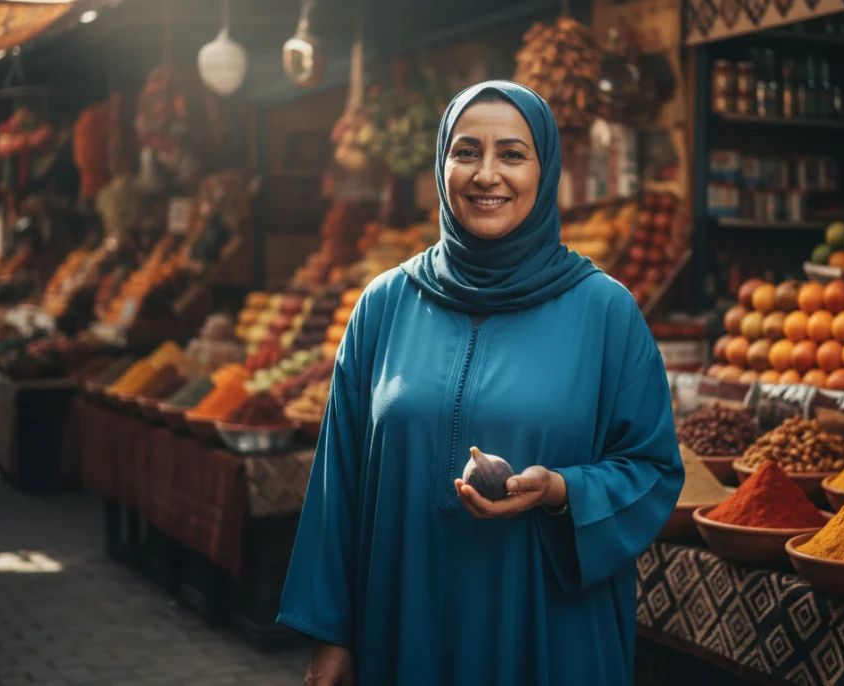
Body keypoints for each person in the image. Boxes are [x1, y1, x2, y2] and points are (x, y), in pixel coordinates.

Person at [277, 81, 683, 685]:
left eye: (513, 155)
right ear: (441, 165)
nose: (486, 174)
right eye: (466, 152)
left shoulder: (604, 312)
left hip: (543, 630)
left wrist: (560, 489)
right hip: (401, 625)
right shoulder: (385, 305)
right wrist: (330, 635)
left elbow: (651, 469)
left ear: (546, 173)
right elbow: (340, 484)